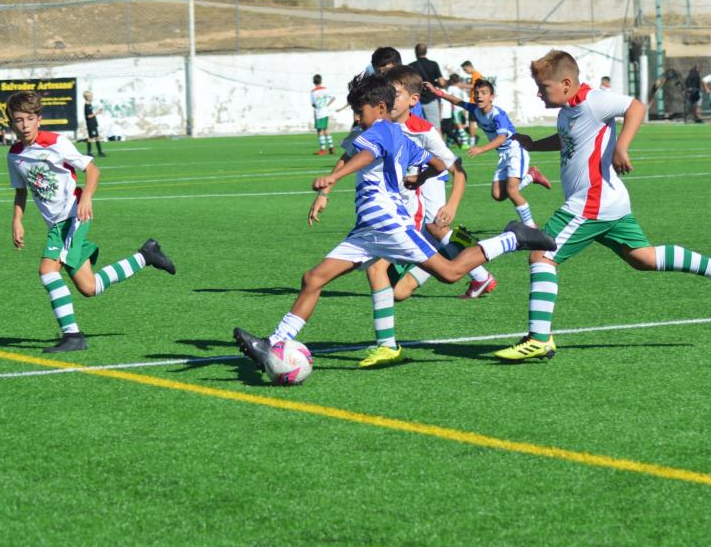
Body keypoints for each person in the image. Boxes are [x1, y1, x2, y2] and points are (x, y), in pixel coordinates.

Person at [233, 75, 556, 369]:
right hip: (366, 230)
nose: (356, 119)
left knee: (450, 272)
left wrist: (334, 176)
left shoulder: (379, 132)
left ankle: (513, 238)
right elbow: (439, 164)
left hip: (390, 226)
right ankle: (273, 343)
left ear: (381, 107)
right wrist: (420, 176)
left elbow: (366, 156)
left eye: (360, 111)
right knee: (313, 278)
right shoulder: (396, 135)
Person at [493, 50, 711, 361]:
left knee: (541, 254)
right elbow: (569, 138)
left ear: (566, 83)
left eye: (543, 87)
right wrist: (534, 144)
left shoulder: (595, 101)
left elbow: (635, 107)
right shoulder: (567, 109)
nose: (539, 92)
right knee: (644, 259)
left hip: (592, 202)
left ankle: (539, 338)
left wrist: (621, 147)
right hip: (609, 201)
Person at [6, 91, 175, 353]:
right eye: (18, 120)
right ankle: (146, 256)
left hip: (72, 216)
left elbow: (92, 169)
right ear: (11, 123)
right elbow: (20, 191)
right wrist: (17, 220)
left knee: (47, 271)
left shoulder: (55, 142)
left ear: (39, 119)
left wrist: (86, 197)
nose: (25, 125)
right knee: (89, 287)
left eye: (30, 118)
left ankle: (72, 336)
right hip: (56, 224)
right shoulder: (14, 155)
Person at [377, 65, 497, 301]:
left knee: (435, 226)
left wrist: (451, 205)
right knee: (430, 233)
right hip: (413, 184)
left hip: (430, 178)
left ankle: (481, 267)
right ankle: (478, 271)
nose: (389, 99)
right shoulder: (383, 123)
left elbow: (457, 171)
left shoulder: (423, 130)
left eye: (394, 94)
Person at [426, 78, 551, 228]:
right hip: (503, 156)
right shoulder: (476, 110)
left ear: (492, 97)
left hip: (515, 151)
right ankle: (531, 176)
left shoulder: (498, 114)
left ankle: (531, 227)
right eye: (476, 93)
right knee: (498, 195)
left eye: (484, 93)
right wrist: (437, 92)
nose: (479, 96)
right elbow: (457, 101)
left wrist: (481, 149)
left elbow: (501, 137)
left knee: (512, 191)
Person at [408, 43, 446, 129]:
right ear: (426, 52)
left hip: (416, 101)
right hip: (431, 99)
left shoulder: (411, 66)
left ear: (415, 52)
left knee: (417, 128)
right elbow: (442, 83)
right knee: (436, 128)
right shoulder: (433, 64)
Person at [459, 60, 485, 144]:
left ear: (469, 67)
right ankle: (473, 140)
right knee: (476, 122)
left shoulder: (476, 74)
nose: (465, 72)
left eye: (465, 70)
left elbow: (475, 86)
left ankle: (472, 141)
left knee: (471, 122)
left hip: (474, 102)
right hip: (475, 101)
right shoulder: (475, 75)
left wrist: (463, 86)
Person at [310, 74, 335, 155]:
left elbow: (313, 104)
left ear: (314, 82)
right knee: (326, 129)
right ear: (321, 81)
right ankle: (331, 147)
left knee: (320, 130)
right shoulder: (325, 90)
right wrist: (327, 105)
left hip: (319, 113)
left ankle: (323, 149)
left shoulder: (313, 92)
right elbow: (333, 97)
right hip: (325, 111)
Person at [82, 91, 106, 157]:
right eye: (91, 96)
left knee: (97, 137)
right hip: (90, 123)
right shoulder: (86, 105)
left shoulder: (89, 104)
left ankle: (100, 152)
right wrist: (97, 112)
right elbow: (89, 116)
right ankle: (89, 153)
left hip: (93, 122)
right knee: (91, 137)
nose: (92, 97)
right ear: (87, 97)